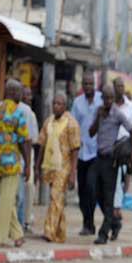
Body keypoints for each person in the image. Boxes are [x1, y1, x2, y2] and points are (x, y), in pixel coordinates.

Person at [89, 85, 132, 245]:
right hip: (98, 157)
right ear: (102, 99)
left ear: (114, 98)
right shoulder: (99, 111)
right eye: (106, 98)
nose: (108, 101)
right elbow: (91, 132)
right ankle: (115, 222)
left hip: (111, 160)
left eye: (111, 98)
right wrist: (98, 118)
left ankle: (104, 233)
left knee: (109, 197)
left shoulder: (118, 114)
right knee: (96, 192)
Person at [0, 79, 30, 247]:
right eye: (19, 92)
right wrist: (27, 164)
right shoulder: (18, 112)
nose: (21, 95)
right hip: (11, 163)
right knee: (6, 201)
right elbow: (24, 141)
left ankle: (18, 235)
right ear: (12, 93)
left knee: (6, 200)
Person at [36, 93, 81, 243]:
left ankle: (49, 231)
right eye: (54, 103)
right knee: (57, 199)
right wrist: (37, 166)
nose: (56, 106)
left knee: (55, 197)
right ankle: (60, 233)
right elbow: (41, 144)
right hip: (49, 166)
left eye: (59, 104)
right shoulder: (48, 121)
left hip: (64, 166)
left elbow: (75, 149)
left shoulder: (71, 123)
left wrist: (73, 173)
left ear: (65, 106)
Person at [71, 71, 103, 235]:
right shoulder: (77, 103)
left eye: (91, 83)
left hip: (96, 152)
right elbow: (73, 126)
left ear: (95, 84)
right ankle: (87, 223)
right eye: (85, 83)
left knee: (91, 187)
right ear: (82, 85)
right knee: (82, 190)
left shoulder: (102, 100)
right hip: (81, 152)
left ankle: (91, 222)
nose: (88, 86)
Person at [112, 77, 132, 236]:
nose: (121, 88)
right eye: (118, 86)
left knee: (120, 184)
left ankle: (116, 213)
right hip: (109, 150)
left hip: (124, 151)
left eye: (123, 86)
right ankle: (115, 214)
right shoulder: (108, 106)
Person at [17, 86, 39, 231]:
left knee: (28, 187)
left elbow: (33, 140)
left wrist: (31, 165)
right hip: (13, 155)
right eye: (24, 94)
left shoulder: (30, 114)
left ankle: (26, 220)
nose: (27, 97)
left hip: (27, 155)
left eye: (29, 95)